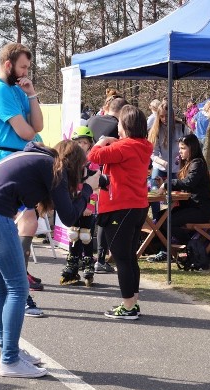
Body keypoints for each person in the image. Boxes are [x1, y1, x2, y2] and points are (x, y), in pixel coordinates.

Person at [0, 141, 100, 378]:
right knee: (18, 287)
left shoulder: (37, 159)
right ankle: (10, 360)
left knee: (0, 286)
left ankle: (10, 350)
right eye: (82, 166)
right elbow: (68, 217)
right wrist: (88, 188)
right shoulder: (52, 167)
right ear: (74, 164)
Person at [0, 42, 46, 315]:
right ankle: (17, 286)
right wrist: (31, 129)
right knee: (19, 225)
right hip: (9, 163)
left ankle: (18, 283)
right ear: (8, 65)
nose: (26, 72)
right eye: (22, 67)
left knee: (28, 221)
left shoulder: (17, 88)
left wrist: (31, 95)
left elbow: (39, 126)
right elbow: (27, 132)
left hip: (24, 161)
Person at [87, 105, 153, 319]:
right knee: (130, 257)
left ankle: (127, 306)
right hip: (138, 206)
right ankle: (132, 301)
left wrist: (101, 142)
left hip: (120, 207)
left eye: (120, 125)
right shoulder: (143, 146)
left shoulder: (124, 147)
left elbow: (94, 156)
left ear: (126, 126)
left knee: (122, 259)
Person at [150, 134, 210, 261]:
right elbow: (185, 185)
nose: (180, 151)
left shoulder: (197, 163)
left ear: (192, 148)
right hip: (192, 205)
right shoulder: (189, 163)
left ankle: (190, 246)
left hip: (201, 209)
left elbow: (189, 183)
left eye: (183, 148)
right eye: (179, 148)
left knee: (169, 221)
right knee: (160, 216)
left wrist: (168, 184)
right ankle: (165, 249)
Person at [86, 96, 127, 275]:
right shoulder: (117, 128)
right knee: (103, 217)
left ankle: (84, 257)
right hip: (105, 176)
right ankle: (101, 258)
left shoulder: (91, 120)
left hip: (86, 173)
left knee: (85, 216)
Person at [60, 126, 99, 286]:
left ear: (90, 144)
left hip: (87, 205)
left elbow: (96, 186)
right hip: (74, 203)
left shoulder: (93, 163)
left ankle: (88, 265)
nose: (82, 145)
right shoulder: (70, 162)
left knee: (85, 235)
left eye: (85, 142)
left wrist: (90, 205)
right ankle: (72, 265)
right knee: (73, 235)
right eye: (79, 142)